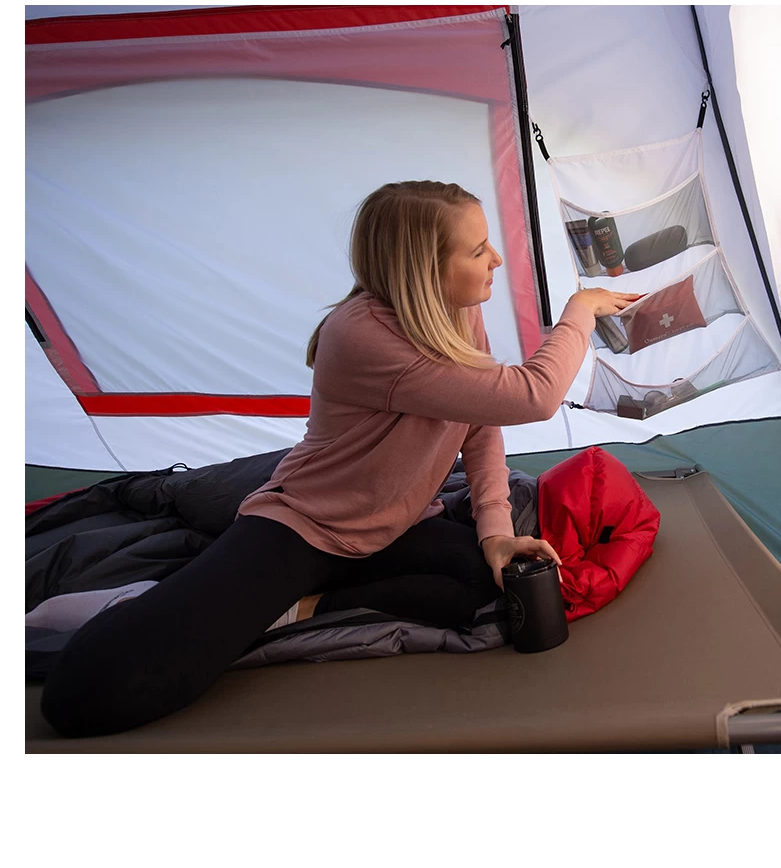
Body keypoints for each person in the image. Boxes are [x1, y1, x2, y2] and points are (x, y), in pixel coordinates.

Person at [40, 180, 642, 737]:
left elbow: (480, 427)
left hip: (393, 525)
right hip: (305, 527)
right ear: (423, 269)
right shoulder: (361, 336)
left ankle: (298, 610)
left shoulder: (457, 307)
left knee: (476, 590)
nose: (496, 260)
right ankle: (160, 603)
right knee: (88, 695)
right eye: (478, 249)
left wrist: (495, 535)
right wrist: (578, 313)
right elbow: (531, 397)